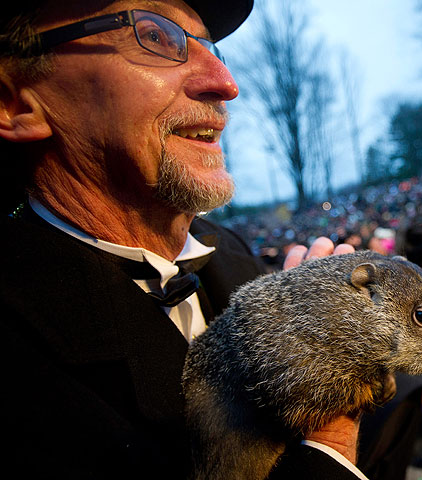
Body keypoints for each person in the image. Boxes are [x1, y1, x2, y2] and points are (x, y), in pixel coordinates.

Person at [0, 1, 369, 478]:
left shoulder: (232, 253)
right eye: (154, 36)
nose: (225, 83)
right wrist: (329, 438)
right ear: (15, 103)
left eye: (209, 46)